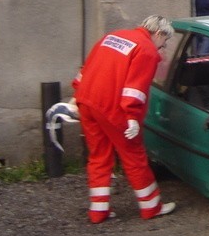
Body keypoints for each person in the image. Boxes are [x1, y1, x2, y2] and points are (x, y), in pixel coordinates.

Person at [72, 15, 176, 223]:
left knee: (99, 156)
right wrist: (132, 117)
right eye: (164, 42)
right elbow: (135, 88)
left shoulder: (113, 36)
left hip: (87, 101)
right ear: (158, 34)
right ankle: (151, 207)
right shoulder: (146, 50)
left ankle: (98, 210)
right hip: (112, 108)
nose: (162, 48)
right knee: (134, 157)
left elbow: (86, 69)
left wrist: (76, 95)